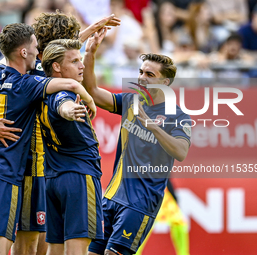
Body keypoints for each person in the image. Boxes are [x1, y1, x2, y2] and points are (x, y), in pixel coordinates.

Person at [0, 12, 120, 255]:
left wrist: (91, 32)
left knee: (35, 244)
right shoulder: (30, 76)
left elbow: (64, 56)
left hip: (29, 166)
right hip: (27, 165)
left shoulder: (14, 71)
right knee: (27, 245)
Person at [83, 31, 192, 255]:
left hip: (140, 204)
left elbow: (181, 152)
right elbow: (92, 91)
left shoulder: (178, 117)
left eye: (149, 74)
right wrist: (90, 53)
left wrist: (154, 127)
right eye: (141, 72)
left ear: (165, 82)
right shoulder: (130, 101)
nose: (141, 77)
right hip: (111, 197)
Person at [39, 38, 104, 255]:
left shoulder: (39, 89)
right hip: (78, 177)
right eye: (75, 61)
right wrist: (69, 111)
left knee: (55, 249)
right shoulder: (64, 94)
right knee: (77, 250)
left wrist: (90, 52)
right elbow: (63, 104)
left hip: (53, 178)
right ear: (56, 67)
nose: (81, 65)